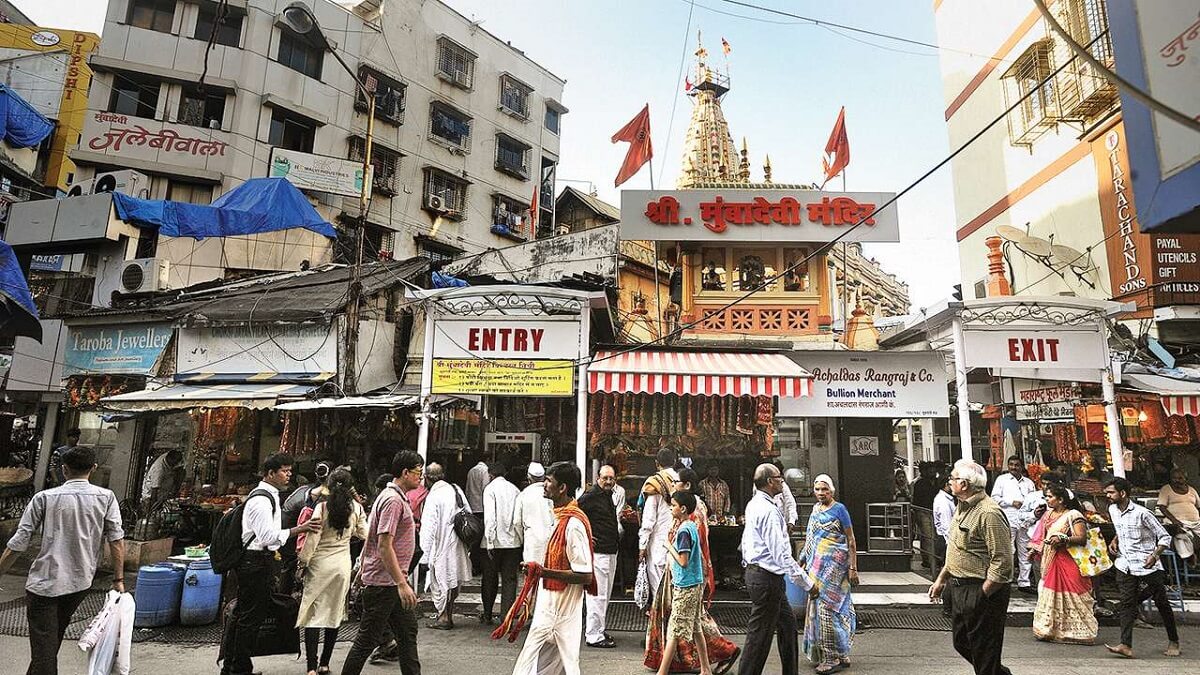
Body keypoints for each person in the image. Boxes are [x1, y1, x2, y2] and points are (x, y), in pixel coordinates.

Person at [0, 445, 125, 675]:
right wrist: (118, 579)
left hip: (45, 585)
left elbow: (18, 543)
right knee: (48, 645)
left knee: (44, 650)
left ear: (64, 470)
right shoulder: (106, 497)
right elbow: (116, 540)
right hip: (79, 584)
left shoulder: (43, 498)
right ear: (94, 469)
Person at [225, 453, 322, 675]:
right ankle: (239, 669)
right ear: (270, 473)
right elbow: (268, 537)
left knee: (245, 615)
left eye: (289, 471)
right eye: (284, 471)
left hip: (259, 561)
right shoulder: (261, 500)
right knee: (250, 618)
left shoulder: (270, 496)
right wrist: (301, 528)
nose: (288, 475)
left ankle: (235, 666)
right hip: (254, 562)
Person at [499, 462, 596, 675]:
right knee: (552, 665)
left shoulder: (573, 524)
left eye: (549, 481)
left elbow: (585, 575)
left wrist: (542, 572)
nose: (544, 485)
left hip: (561, 609)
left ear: (562, 488)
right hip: (551, 605)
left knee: (535, 663)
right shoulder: (561, 518)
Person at [645, 468, 739, 674]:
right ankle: (706, 665)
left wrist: (670, 548)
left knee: (679, 624)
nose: (673, 485)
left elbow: (689, 552)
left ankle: (720, 652)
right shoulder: (690, 509)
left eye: (676, 481)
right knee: (696, 623)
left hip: (686, 575)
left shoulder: (692, 515)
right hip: (686, 573)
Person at [928, 459, 1014, 675]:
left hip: (981, 587)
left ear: (964, 484)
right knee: (962, 642)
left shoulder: (989, 513)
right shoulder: (962, 507)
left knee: (985, 649)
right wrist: (941, 579)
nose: (950, 481)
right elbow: (957, 550)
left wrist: (983, 593)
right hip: (958, 587)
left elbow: (1003, 562)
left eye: (953, 478)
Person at [341, 451, 424, 675]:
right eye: (418, 472)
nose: (420, 477)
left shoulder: (395, 497)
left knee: (407, 633)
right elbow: (384, 544)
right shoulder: (392, 500)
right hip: (385, 583)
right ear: (405, 473)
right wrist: (401, 583)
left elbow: (374, 538)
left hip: (391, 581)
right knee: (367, 640)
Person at [739, 463, 813, 675]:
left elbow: (748, 541)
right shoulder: (768, 511)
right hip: (766, 578)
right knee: (759, 636)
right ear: (770, 481)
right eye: (779, 477)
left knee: (788, 626)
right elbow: (781, 555)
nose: (782, 480)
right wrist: (807, 584)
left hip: (762, 576)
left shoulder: (755, 504)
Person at [294, 468, 368, 675]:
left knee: (312, 615)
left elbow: (312, 540)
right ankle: (325, 664)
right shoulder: (356, 509)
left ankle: (311, 667)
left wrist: (302, 563)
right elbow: (366, 534)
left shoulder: (322, 508)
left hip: (319, 565)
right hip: (342, 565)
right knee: (335, 614)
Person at [1103, 477, 1180, 659]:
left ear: (1122, 493)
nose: (1108, 496)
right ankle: (1125, 645)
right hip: (1125, 564)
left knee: (1161, 602)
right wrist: (1115, 540)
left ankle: (1174, 640)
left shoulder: (1142, 513)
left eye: (1111, 492)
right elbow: (1121, 529)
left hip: (1147, 565)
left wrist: (1155, 555)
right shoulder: (1112, 509)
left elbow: (1164, 537)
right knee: (1127, 603)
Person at [798, 475, 858, 674]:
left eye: (825, 489)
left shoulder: (840, 509)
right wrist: (803, 558)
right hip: (816, 567)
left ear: (832, 491)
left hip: (836, 568)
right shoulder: (815, 510)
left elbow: (850, 540)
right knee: (820, 610)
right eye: (817, 489)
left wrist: (853, 568)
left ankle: (832, 657)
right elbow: (811, 537)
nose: (821, 493)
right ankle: (840, 653)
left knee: (830, 609)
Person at [1027, 484, 1097, 644]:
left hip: (1068, 560)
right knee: (1049, 592)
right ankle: (1048, 630)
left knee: (1073, 592)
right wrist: (1034, 551)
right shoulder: (1047, 514)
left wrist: (1064, 539)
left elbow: (1082, 538)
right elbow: (1042, 537)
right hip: (1051, 560)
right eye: (1046, 497)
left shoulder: (1073, 515)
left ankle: (1080, 633)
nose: (1047, 500)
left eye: (1050, 497)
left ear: (1061, 500)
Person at [656, 490, 714, 675]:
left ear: (682, 509)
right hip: (693, 582)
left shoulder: (683, 531)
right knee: (695, 626)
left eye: (673, 505)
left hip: (686, 585)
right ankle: (705, 669)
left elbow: (683, 561)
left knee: (675, 629)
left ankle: (662, 672)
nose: (671, 508)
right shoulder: (690, 526)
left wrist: (668, 546)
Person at [420, 462, 472, 630]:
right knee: (452, 581)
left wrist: (424, 556)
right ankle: (446, 615)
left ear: (427, 479)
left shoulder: (433, 496)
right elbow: (468, 513)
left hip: (441, 545)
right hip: (456, 542)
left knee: (442, 581)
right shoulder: (455, 489)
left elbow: (429, 527)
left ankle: (443, 618)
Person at [578, 464, 620, 649]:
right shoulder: (590, 496)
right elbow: (574, 514)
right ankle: (594, 635)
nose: (608, 481)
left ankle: (599, 629)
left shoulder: (607, 496)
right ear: (598, 478)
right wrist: (585, 537)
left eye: (611, 478)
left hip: (610, 551)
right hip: (599, 553)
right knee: (597, 595)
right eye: (605, 478)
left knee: (605, 594)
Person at [990, 455, 1037, 594]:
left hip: (1025, 521)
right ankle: (1007, 578)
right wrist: (1011, 502)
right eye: (1011, 464)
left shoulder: (1028, 483)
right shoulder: (1002, 480)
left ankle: (1024, 581)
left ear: (1021, 467)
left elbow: (1034, 500)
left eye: (1016, 465)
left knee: (1025, 551)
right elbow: (995, 498)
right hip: (1008, 519)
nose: (1013, 467)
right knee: (1009, 550)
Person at [482, 461, 522, 625]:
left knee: (489, 578)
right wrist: (520, 539)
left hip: (494, 542)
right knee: (510, 580)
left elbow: (490, 517)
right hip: (512, 542)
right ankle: (507, 617)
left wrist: (490, 541)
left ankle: (487, 614)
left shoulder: (490, 489)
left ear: (491, 475)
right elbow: (518, 518)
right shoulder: (515, 490)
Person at [640, 448, 681, 598]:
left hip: (659, 543)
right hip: (680, 540)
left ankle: (661, 616)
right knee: (677, 585)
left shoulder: (654, 484)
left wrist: (642, 545)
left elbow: (648, 520)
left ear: (657, 463)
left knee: (659, 587)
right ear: (675, 462)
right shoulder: (682, 482)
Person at [514, 462, 555, 565]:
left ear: (529, 478)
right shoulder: (552, 494)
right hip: (551, 538)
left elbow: (517, 522)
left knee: (533, 573)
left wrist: (522, 539)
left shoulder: (523, 495)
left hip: (532, 541)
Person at [1157, 467, 1200, 562]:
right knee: (1180, 535)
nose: (1177, 480)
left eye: (1180, 478)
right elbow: (1162, 507)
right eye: (1174, 478)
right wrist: (1174, 520)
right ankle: (1189, 558)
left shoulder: (1192, 490)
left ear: (1185, 479)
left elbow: (1198, 506)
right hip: (1177, 522)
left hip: (1196, 522)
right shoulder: (1166, 489)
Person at [932, 477, 957, 617]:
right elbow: (947, 525)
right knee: (949, 574)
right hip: (946, 540)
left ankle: (949, 606)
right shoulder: (942, 501)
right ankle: (948, 607)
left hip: (947, 539)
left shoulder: (947, 499)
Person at [911, 463, 941, 570]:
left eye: (934, 471)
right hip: (923, 511)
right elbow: (916, 499)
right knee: (928, 536)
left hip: (934, 511)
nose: (933, 473)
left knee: (930, 536)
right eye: (931, 471)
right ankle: (930, 560)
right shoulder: (920, 483)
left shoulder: (937, 483)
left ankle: (929, 559)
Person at [465, 458, 490, 573]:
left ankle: (472, 565)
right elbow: (486, 489)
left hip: (471, 506)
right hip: (481, 507)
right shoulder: (484, 471)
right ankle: (478, 565)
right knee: (480, 539)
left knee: (473, 539)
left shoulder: (471, 471)